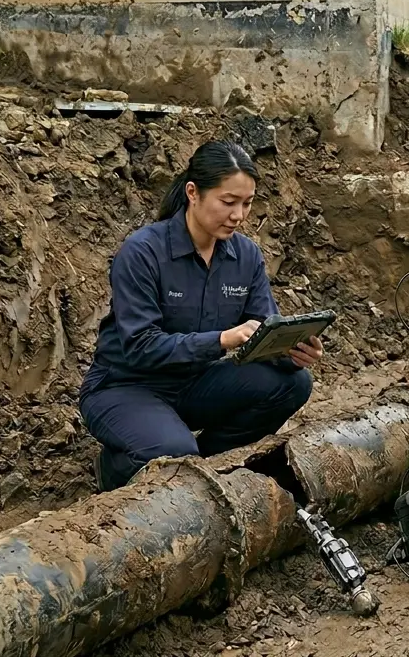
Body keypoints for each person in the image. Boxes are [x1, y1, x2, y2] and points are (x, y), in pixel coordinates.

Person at [78, 140, 324, 492]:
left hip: (195, 383)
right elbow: (139, 347)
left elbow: (263, 334)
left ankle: (205, 464)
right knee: (173, 451)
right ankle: (115, 468)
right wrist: (223, 339)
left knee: (292, 385)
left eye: (247, 203)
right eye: (228, 202)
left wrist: (292, 354)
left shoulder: (245, 256)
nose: (238, 215)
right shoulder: (143, 252)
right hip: (126, 386)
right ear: (193, 193)